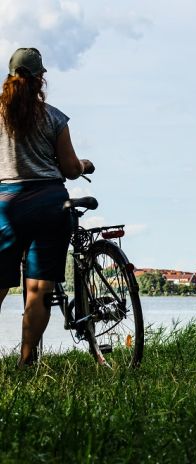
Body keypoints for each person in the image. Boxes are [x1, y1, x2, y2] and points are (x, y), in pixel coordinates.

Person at [0, 47, 94, 366]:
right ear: (40, 79)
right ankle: (27, 361)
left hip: (7, 205)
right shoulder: (54, 117)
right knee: (40, 288)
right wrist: (85, 164)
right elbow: (69, 168)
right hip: (49, 203)